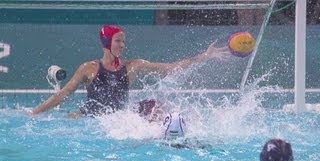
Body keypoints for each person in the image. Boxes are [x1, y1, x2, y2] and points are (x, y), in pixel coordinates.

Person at [30, 25, 229, 118]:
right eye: (118, 40)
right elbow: (63, 94)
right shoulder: (88, 68)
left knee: (158, 106)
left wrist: (204, 56)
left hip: (119, 119)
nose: (123, 45)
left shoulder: (134, 66)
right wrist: (34, 113)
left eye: (124, 41)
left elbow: (170, 68)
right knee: (71, 116)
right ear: (107, 42)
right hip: (90, 117)